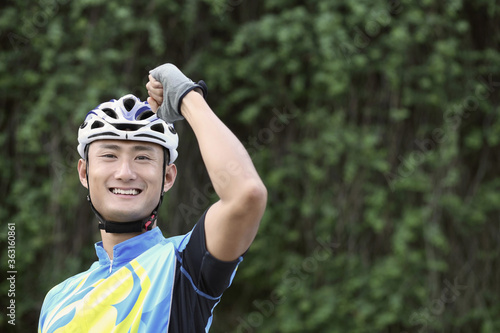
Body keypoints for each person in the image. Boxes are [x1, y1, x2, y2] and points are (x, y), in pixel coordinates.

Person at [38, 63, 267, 332]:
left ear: (168, 177)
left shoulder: (182, 265)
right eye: (109, 155)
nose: (125, 173)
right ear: (84, 172)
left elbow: (246, 194)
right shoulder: (57, 300)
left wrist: (187, 97)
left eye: (143, 157)